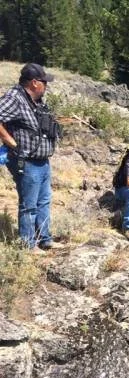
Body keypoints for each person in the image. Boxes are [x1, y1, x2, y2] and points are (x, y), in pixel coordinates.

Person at [0, 63, 64, 254]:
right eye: (44, 82)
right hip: (26, 161)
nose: (46, 85)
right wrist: (9, 140)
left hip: (42, 161)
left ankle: (44, 239)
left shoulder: (37, 100)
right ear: (35, 82)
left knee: (43, 201)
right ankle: (28, 245)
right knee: (29, 205)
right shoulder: (15, 98)